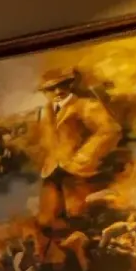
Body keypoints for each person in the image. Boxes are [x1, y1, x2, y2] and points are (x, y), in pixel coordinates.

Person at [32, 66, 123, 230]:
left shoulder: (87, 106)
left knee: (79, 218)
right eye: (51, 88)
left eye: (63, 85)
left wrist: (83, 157)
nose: (58, 91)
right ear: (44, 92)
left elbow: (110, 131)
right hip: (52, 171)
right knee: (46, 222)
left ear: (70, 84)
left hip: (80, 172)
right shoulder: (44, 112)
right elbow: (44, 141)